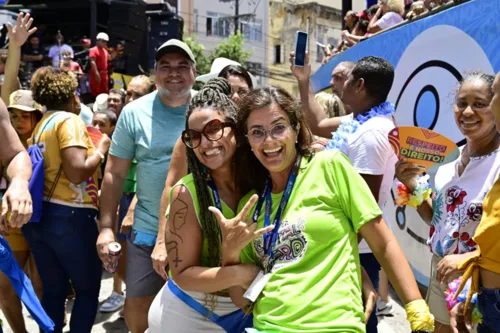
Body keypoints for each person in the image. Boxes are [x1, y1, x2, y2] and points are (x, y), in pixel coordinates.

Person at [212, 85, 433, 333]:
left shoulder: (329, 166)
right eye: (257, 132)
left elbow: (382, 242)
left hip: (333, 326)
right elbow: (243, 301)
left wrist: (416, 308)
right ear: (248, 141)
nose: (269, 140)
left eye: (278, 127)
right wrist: (230, 253)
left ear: (296, 129)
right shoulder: (250, 205)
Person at [96, 39, 196, 333]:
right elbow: (114, 173)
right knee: (138, 310)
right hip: (148, 231)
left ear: (194, 71)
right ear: (155, 73)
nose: (173, 73)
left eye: (182, 66)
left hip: (201, 231)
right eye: (165, 66)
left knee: (196, 312)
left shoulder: (208, 108)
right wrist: (105, 228)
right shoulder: (134, 112)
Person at [146, 77, 259, 332]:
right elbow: (183, 274)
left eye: (214, 129)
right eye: (194, 136)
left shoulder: (261, 180)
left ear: (236, 129)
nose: (205, 143)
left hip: (244, 310)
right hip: (187, 313)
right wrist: (240, 273)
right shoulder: (187, 193)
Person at [395, 72, 500, 333]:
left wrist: (469, 257)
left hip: (482, 282)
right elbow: (437, 219)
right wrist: (411, 185)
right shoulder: (448, 163)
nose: (467, 111)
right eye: (461, 102)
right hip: (440, 271)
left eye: (479, 103)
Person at [21, 66, 110, 333]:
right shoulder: (69, 121)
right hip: (70, 217)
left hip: (41, 219)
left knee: (54, 291)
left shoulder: (40, 126)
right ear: (72, 94)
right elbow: (76, 172)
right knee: (86, 290)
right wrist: (101, 151)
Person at [99, 76, 156, 315]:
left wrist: (133, 205)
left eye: (137, 95)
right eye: (128, 95)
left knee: (137, 259)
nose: (130, 100)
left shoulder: (154, 123)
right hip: (122, 197)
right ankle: (119, 293)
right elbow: (114, 171)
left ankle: (137, 302)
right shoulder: (126, 121)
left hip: (140, 201)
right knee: (117, 253)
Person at [0, 90, 43, 333]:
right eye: (13, 115)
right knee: (5, 287)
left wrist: (19, 183)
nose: (18, 121)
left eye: (25, 115)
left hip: (41, 224)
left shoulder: (45, 140)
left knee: (41, 283)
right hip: (9, 224)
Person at [291, 55, 354, 139]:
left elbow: (318, 125)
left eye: (338, 78)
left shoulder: (367, 119)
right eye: (332, 78)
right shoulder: (350, 119)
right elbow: (318, 125)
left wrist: (304, 79)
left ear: (358, 84)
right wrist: (303, 79)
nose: (331, 82)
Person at [89, 32, 110, 97]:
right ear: (98, 40)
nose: (105, 43)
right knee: (96, 92)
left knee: (105, 92)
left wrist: (117, 51)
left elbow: (110, 58)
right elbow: (92, 62)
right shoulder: (94, 50)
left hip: (104, 74)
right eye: (103, 41)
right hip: (97, 73)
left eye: (106, 42)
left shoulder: (105, 50)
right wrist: (96, 74)